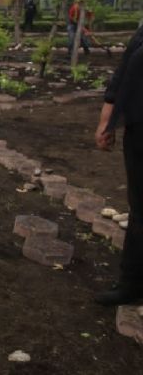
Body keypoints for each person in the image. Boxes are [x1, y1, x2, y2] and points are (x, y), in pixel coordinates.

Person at [94, 25, 143, 306]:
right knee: (140, 208)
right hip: (140, 129)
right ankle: (133, 281)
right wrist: (108, 118)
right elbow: (125, 70)